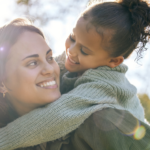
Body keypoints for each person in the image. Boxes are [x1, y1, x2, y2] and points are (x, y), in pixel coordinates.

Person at [0, 0, 150, 149]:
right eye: (72, 38)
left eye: (84, 50)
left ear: (113, 61)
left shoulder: (102, 87)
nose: (71, 50)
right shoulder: (80, 63)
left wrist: (4, 140)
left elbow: (57, 116)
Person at [0, 18, 61, 149]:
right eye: (32, 63)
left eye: (50, 58)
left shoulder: (93, 117)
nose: (50, 69)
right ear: (2, 83)